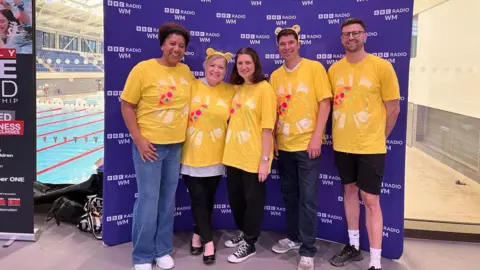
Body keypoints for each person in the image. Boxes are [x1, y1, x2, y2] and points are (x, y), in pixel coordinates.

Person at [327, 18, 400, 270]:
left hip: (371, 148)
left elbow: (393, 108)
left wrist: (379, 137)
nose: (351, 38)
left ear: (365, 36)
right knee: (349, 192)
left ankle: (376, 262)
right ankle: (355, 247)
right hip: (342, 146)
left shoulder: (382, 67)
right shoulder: (334, 70)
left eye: (356, 33)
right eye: (346, 34)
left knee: (371, 200)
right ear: (341, 39)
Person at [120, 22, 194, 270]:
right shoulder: (143, 69)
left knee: (167, 201)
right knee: (149, 200)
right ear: (162, 44)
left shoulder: (186, 72)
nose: (176, 48)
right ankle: (141, 255)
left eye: (181, 45)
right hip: (149, 147)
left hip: (175, 147)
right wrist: (139, 140)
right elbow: (127, 106)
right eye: (172, 43)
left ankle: (162, 249)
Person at [269, 25, 332, 270]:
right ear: (278, 48)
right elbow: (273, 111)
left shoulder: (314, 68)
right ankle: (294, 238)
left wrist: (317, 137)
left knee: (307, 199)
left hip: (308, 146)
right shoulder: (275, 76)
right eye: (282, 44)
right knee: (290, 196)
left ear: (298, 43)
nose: (287, 47)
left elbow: (325, 104)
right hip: (284, 147)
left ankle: (308, 250)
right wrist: (273, 139)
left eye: (290, 43)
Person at [222, 47, 277, 263]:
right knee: (236, 201)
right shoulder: (237, 88)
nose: (244, 66)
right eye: (240, 63)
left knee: (253, 202)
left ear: (256, 64)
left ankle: (250, 243)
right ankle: (244, 233)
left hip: (254, 157)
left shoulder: (265, 90)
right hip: (233, 155)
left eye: (248, 62)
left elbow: (267, 129)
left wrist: (265, 161)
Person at [180, 48, 235, 265]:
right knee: (198, 199)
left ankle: (197, 234)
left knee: (208, 199)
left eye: (221, 67)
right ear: (204, 67)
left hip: (217, 155)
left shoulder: (230, 91)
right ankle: (209, 242)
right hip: (191, 154)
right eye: (212, 65)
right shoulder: (192, 86)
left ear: (225, 71)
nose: (216, 70)